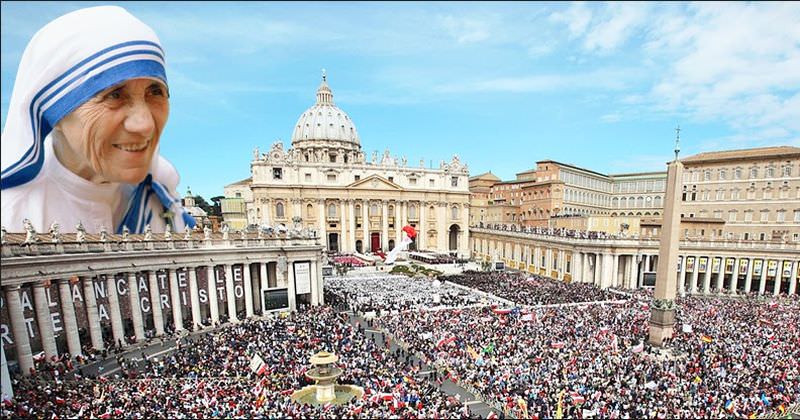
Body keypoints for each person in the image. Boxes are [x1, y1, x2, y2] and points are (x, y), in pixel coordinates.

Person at [1, 6, 195, 234]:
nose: (145, 125)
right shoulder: (10, 212)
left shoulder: (162, 189)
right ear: (55, 112)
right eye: (114, 95)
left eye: (155, 92)